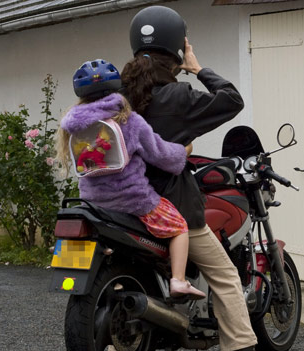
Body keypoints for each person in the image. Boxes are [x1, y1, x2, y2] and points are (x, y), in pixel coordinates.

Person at [122, 6, 277, 351]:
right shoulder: (179, 96)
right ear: (178, 47)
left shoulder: (118, 92)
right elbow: (231, 99)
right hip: (169, 206)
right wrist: (197, 68)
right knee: (225, 274)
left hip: (121, 205)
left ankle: (116, 349)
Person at [57, 58, 205, 300]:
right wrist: (184, 150)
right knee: (179, 227)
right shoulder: (128, 120)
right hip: (133, 201)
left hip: (92, 203)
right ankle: (178, 281)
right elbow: (162, 155)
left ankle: (110, 277)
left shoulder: (74, 127)